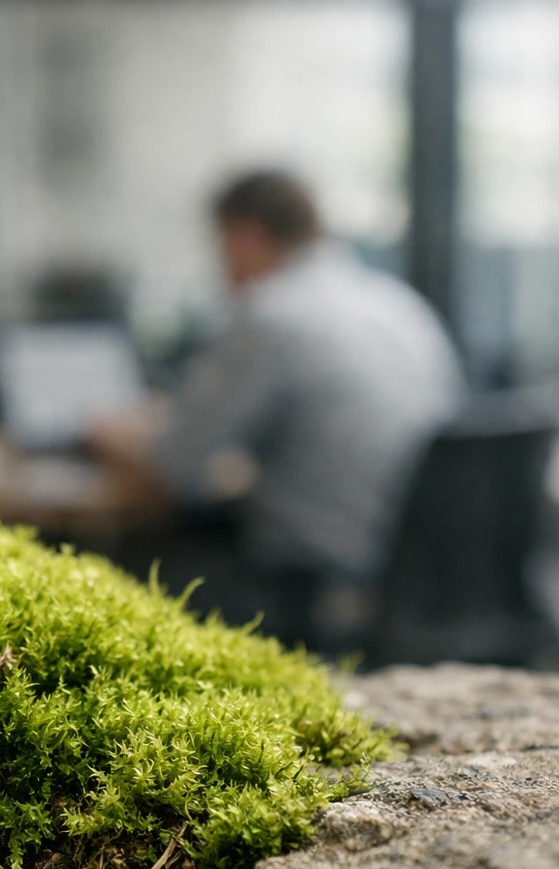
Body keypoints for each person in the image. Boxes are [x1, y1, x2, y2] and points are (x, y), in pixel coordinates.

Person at [91, 170, 465, 642]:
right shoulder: (399, 305)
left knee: (122, 576)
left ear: (245, 235)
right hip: (418, 577)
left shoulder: (269, 316)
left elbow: (173, 464)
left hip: (311, 580)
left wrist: (103, 433)